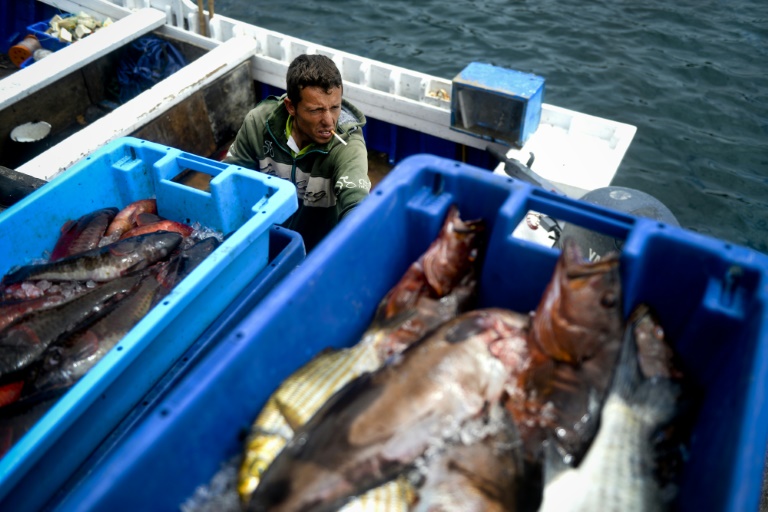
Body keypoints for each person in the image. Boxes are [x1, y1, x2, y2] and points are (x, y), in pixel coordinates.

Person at [224, 54, 370, 251]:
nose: (329, 121)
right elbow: (229, 180)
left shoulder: (347, 145)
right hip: (260, 240)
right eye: (316, 110)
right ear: (291, 107)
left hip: (316, 254)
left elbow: (356, 202)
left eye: (335, 107)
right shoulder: (258, 123)